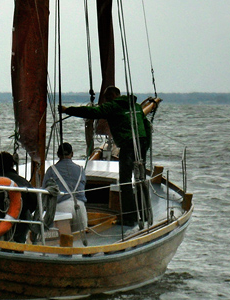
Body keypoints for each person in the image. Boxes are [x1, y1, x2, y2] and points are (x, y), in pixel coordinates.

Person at [60, 86, 151, 227]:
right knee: (141, 178)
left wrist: (68, 110)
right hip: (142, 142)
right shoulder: (137, 106)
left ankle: (129, 217)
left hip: (128, 144)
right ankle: (146, 214)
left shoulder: (113, 106)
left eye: (107, 98)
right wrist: (146, 146)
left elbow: (93, 112)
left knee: (125, 180)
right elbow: (146, 126)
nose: (106, 101)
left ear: (113, 96)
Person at [41, 142, 88, 233]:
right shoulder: (81, 170)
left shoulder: (52, 170)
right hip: (80, 207)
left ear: (58, 154)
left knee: (62, 240)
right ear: (72, 154)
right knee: (80, 239)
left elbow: (45, 192)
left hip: (62, 207)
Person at [0, 151, 37, 243]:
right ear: (13, 164)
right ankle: (20, 245)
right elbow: (34, 203)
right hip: (18, 227)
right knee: (27, 213)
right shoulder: (23, 183)